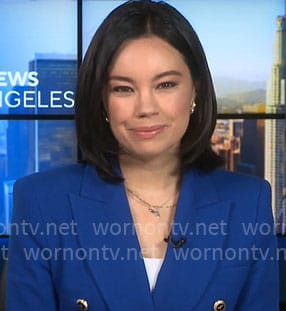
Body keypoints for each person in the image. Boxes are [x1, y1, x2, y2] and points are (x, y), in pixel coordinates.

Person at [6, 1, 279, 310]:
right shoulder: (42, 203)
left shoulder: (249, 203)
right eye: (123, 89)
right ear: (101, 100)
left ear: (196, 92)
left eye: (166, 84)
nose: (146, 108)